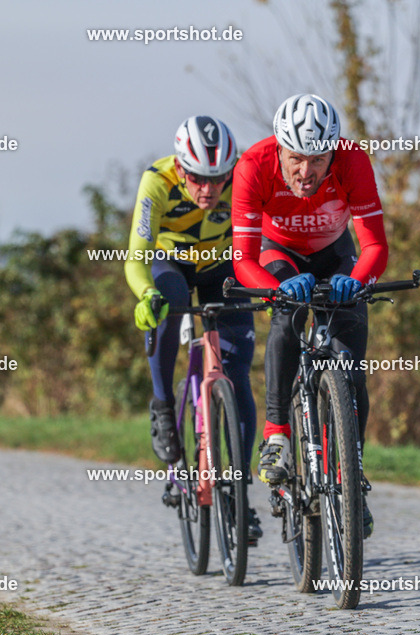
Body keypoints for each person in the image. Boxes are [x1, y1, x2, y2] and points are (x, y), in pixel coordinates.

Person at [231, 94, 388, 538]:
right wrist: (276, 286)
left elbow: (374, 246)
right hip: (277, 256)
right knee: (285, 319)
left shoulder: (353, 161)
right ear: (278, 149)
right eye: (296, 158)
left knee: (351, 370)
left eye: (318, 159)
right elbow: (242, 259)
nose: (306, 171)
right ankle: (278, 434)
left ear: (333, 151)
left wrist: (357, 280)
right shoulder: (253, 166)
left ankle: (349, 477)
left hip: (337, 257)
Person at [126, 115, 261, 543]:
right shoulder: (157, 182)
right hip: (174, 266)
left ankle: (239, 492)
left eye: (219, 178)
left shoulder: (243, 179)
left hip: (224, 266)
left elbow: (270, 235)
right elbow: (136, 257)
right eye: (199, 179)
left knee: (238, 376)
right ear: (181, 168)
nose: (209, 190)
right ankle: (164, 407)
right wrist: (145, 294)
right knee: (168, 304)